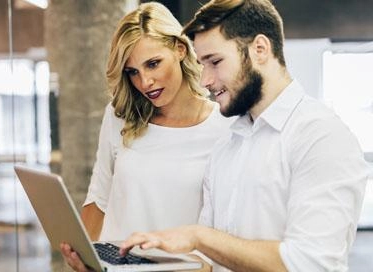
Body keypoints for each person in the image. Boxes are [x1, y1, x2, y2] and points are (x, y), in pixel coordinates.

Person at [119, 0, 369, 271]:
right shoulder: (227, 145)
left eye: (215, 62)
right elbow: (208, 262)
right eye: (202, 64)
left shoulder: (322, 137)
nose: (205, 80)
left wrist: (198, 237)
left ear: (260, 49)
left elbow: (310, 263)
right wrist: (134, 266)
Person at [61, 2, 231, 271]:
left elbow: (223, 230)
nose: (145, 82)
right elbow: (99, 197)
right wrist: (86, 258)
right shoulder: (120, 116)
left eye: (153, 64)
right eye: (133, 72)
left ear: (180, 49)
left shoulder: (224, 128)